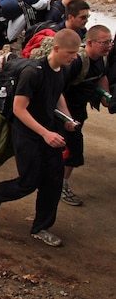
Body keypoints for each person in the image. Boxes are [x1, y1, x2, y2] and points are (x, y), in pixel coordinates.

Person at [0, 29, 82, 247]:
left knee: (54, 181)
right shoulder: (33, 72)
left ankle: (41, 227)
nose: (74, 58)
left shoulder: (62, 70)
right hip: (28, 135)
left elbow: (58, 94)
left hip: (50, 133)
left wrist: (67, 118)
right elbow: (19, 109)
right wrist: (44, 133)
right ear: (56, 49)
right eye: (71, 53)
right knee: (28, 182)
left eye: (76, 53)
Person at [60, 25, 112, 206]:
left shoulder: (101, 59)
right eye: (104, 42)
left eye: (110, 42)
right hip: (63, 112)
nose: (109, 46)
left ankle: (60, 183)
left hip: (78, 110)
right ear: (90, 42)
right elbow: (57, 89)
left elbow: (102, 77)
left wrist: (106, 97)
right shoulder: (77, 61)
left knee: (72, 149)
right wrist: (66, 117)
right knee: (69, 148)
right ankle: (59, 185)